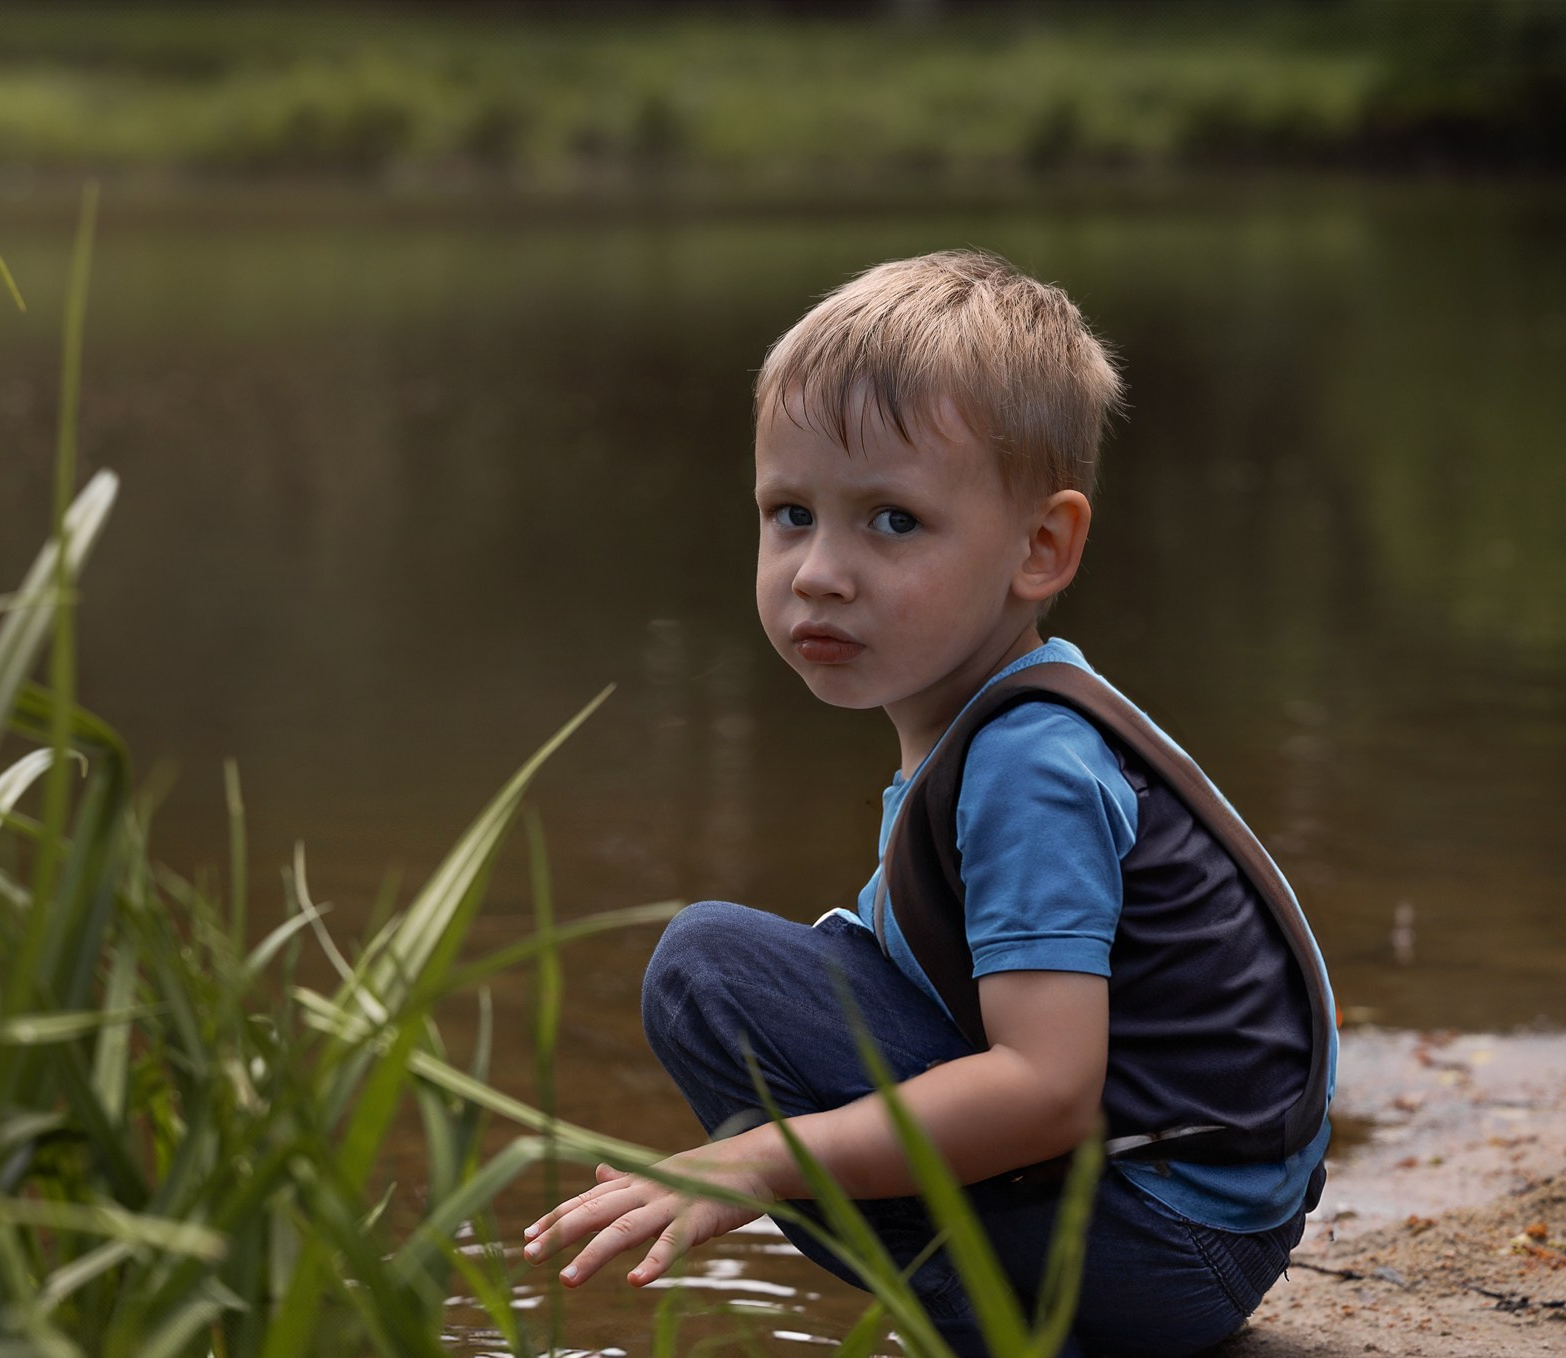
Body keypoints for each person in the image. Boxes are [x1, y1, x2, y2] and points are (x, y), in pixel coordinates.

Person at [522, 250, 1336, 1357]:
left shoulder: (1026, 765)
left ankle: (996, 1335)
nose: (817, 570)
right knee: (769, 962)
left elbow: (1046, 1089)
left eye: (892, 521)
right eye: (790, 513)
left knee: (707, 971)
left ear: (1040, 548)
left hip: (1168, 1240)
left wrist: (760, 1160)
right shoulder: (989, 729)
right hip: (1186, 1220)